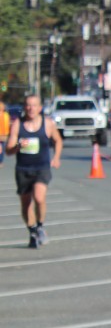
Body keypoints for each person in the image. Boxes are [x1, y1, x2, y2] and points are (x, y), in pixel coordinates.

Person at [5, 94, 62, 248]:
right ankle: (32, 231)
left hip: (41, 168)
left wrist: (56, 157)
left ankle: (40, 226)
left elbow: (58, 140)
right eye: (28, 105)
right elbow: (8, 150)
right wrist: (18, 146)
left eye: (34, 105)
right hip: (23, 169)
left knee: (39, 197)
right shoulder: (17, 125)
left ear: (40, 108)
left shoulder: (47, 124)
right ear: (24, 107)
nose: (31, 108)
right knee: (25, 204)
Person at [0, 100, 10, 167]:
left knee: (2, 149)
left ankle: (1, 161)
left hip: (4, 135)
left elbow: (8, 124)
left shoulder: (6, 115)